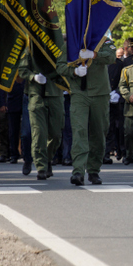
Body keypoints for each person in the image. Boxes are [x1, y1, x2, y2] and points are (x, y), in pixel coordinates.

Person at [56, 40, 117, 186]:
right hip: (79, 93)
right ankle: (78, 171)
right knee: (79, 131)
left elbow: (111, 57)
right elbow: (60, 67)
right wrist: (74, 72)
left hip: (100, 93)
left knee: (99, 132)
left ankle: (94, 170)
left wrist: (94, 55)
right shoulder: (71, 43)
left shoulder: (103, 41)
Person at [18, 48, 65, 180]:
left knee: (55, 134)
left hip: (55, 93)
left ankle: (48, 158)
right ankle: (41, 166)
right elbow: (22, 70)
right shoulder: (31, 49)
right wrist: (33, 77)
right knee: (38, 133)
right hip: (36, 95)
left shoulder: (59, 49)